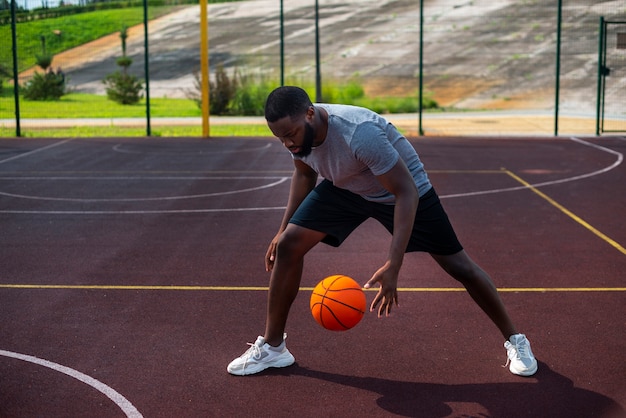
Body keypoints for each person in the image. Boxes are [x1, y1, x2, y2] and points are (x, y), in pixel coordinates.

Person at [227, 86, 537, 377]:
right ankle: (273, 347)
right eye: (280, 138)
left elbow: (406, 193)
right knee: (289, 244)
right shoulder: (297, 134)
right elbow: (304, 174)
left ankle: (516, 340)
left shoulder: (358, 133)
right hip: (347, 187)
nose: (288, 143)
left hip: (400, 191)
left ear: (310, 113)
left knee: (459, 266)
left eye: (290, 135)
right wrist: (282, 229)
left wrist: (394, 264)